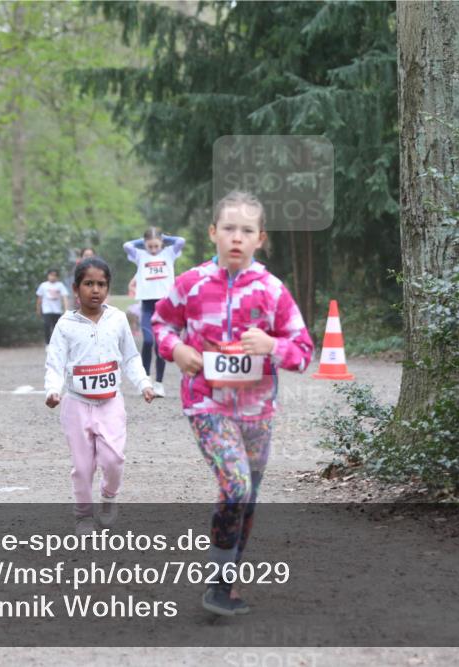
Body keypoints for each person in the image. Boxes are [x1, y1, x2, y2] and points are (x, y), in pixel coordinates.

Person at [151, 191, 314, 616]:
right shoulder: (191, 284)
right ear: (213, 233)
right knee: (236, 486)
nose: (236, 238)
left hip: (258, 411)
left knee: (247, 498)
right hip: (207, 404)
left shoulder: (272, 291)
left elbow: (303, 351)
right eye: (228, 229)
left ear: (260, 238)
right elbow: (161, 323)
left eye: (246, 230)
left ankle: (224, 583)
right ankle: (219, 588)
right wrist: (175, 350)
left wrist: (272, 345)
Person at [44, 257, 156, 534]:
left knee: (114, 459)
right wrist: (53, 390)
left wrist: (143, 383)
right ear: (76, 288)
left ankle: (109, 496)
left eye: (101, 284)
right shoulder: (65, 325)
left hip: (110, 403)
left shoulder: (117, 319)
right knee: (82, 467)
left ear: (108, 288)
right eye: (89, 284)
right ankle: (83, 515)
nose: (95, 290)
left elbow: (130, 357)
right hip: (76, 404)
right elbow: (55, 363)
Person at [123, 227, 186, 398]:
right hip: (148, 306)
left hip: (164, 306)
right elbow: (127, 245)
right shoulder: (140, 255)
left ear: (161, 244)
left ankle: (159, 383)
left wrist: (164, 238)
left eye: (156, 246)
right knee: (148, 341)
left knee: (160, 346)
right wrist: (143, 242)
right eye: (149, 246)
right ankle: (145, 380)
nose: (152, 249)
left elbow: (181, 241)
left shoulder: (169, 253)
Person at [35, 269, 71, 347]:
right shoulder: (43, 285)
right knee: (47, 326)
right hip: (47, 310)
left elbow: (64, 297)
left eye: (55, 275)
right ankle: (47, 344)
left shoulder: (60, 285)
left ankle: (57, 343)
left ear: (57, 277)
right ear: (48, 276)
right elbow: (39, 298)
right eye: (51, 275)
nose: (52, 277)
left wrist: (66, 309)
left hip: (57, 311)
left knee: (57, 328)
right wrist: (38, 309)